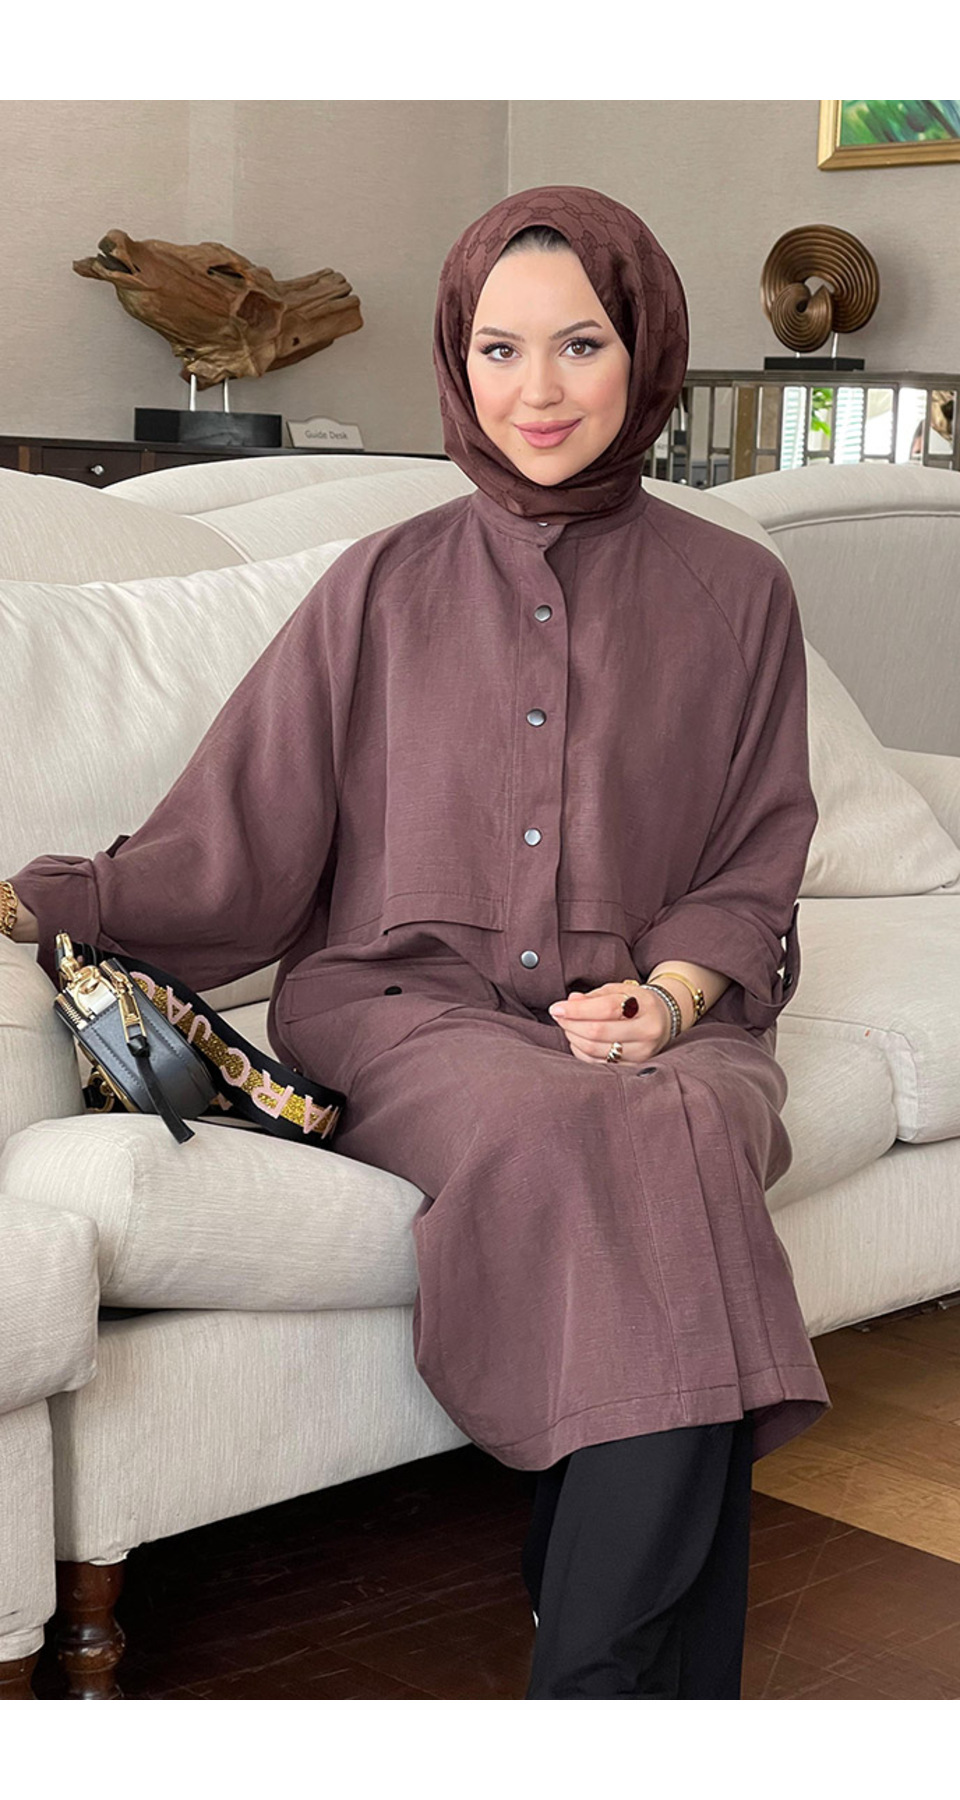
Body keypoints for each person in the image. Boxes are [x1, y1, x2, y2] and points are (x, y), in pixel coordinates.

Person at [1, 184, 829, 1699]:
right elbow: (236, 840)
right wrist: (44, 899)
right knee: (583, 1130)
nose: (537, 391)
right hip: (408, 1008)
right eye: (499, 349)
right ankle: (616, 1687)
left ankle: (588, 1647)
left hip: (662, 1007)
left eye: (581, 344)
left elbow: (759, 851)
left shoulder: (741, 592)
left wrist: (672, 995)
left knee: (696, 1118)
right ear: (458, 360)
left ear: (646, 350)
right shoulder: (378, 584)